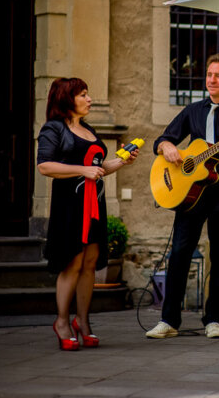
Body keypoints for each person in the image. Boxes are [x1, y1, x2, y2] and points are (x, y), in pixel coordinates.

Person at [146, 54, 219, 340]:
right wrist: (168, 147)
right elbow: (162, 139)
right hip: (191, 194)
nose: (211, 80)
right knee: (180, 252)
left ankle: (213, 318)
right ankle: (169, 320)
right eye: (208, 74)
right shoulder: (192, 110)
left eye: (218, 75)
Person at [38, 77, 140, 351]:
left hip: (94, 204)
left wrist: (121, 161)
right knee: (73, 261)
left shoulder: (87, 129)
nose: (89, 99)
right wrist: (83, 171)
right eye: (83, 94)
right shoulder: (53, 129)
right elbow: (45, 166)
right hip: (69, 206)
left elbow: (98, 167)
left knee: (90, 263)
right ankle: (61, 321)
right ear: (66, 99)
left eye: (87, 93)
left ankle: (82, 321)